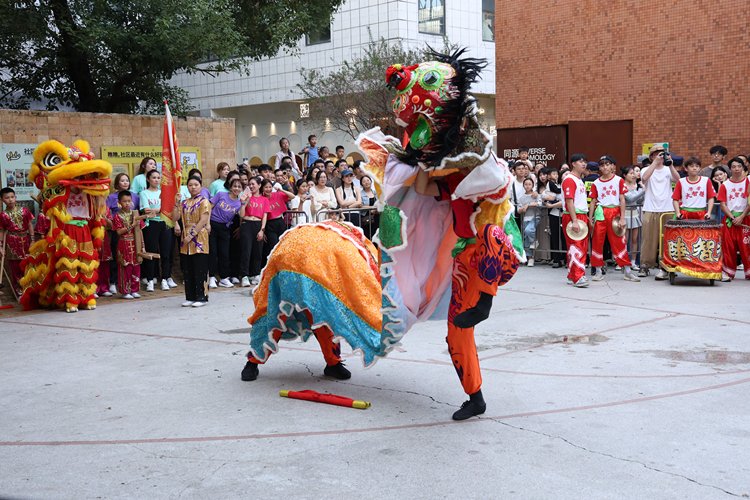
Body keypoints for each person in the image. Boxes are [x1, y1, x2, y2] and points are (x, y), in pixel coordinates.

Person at [588, 156, 639, 282]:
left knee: (619, 241)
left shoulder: (618, 180)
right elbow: (593, 201)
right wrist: (590, 219)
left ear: (612, 166)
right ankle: (598, 270)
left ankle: (627, 270)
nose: (605, 167)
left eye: (607, 164)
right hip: (600, 213)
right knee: (597, 242)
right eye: (602, 165)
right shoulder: (596, 183)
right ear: (599, 168)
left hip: (615, 212)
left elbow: (622, 199)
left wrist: (622, 218)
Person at [638, 144, 679, 279]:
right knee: (648, 239)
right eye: (657, 154)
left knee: (667, 239)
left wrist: (671, 164)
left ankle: (666, 266)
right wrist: (655, 163)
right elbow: (644, 179)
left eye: (663, 154)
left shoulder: (668, 169)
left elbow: (678, 180)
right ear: (652, 156)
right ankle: (645, 265)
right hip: (650, 208)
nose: (660, 156)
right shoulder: (645, 169)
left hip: (667, 208)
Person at [174, 176, 211, 307]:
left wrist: (191, 235)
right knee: (188, 268)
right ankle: (190, 296)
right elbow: (176, 217)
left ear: (200, 186)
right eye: (190, 185)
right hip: (185, 238)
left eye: (196, 184)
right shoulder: (184, 202)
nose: (193, 187)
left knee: (199, 267)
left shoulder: (204, 201)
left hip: (199, 236)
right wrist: (176, 204)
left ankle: (201, 297)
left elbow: (203, 220)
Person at [139, 169, 176, 292]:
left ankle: (165, 279)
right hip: (151, 225)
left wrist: (157, 211)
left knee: (166, 253)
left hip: (164, 224)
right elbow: (146, 211)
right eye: (153, 177)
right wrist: (160, 210)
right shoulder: (144, 193)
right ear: (148, 179)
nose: (156, 180)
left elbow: (167, 210)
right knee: (151, 253)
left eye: (158, 177)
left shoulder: (164, 193)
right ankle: (150, 280)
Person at [208, 176, 246, 289]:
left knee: (224, 253)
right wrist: (207, 224)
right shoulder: (220, 194)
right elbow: (209, 207)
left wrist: (243, 203)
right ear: (230, 187)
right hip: (213, 225)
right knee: (213, 253)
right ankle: (211, 277)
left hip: (225, 228)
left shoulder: (239, 202)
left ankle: (224, 278)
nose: (237, 188)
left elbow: (242, 216)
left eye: (239, 187)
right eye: (234, 186)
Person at [717, 157, 750, 281]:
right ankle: (727, 272)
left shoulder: (748, 182)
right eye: (734, 167)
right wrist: (733, 217)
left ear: (743, 167)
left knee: (746, 246)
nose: (737, 169)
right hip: (730, 220)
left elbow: (749, 202)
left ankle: (749, 272)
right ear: (730, 169)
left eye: (739, 166)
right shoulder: (725, 185)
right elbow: (722, 204)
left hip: (745, 218)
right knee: (728, 247)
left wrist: (741, 217)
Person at [562, 154, 590, 287]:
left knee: (580, 246)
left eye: (585, 161)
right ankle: (578, 277)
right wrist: (574, 220)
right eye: (580, 161)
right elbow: (569, 201)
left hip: (581, 215)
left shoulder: (579, 180)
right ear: (573, 163)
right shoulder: (569, 180)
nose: (584, 164)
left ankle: (572, 274)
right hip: (574, 216)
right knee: (576, 246)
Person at [0, 187, 34, 297]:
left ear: (15, 197)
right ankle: (19, 292)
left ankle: (31, 289)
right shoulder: (3, 215)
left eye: (12, 197)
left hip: (26, 239)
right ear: (2, 200)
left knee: (28, 264)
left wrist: (33, 240)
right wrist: (0, 246)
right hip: (12, 241)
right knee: (15, 266)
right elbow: (1, 231)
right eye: (7, 198)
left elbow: (29, 225)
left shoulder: (24, 210)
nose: (10, 200)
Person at [111, 190, 146, 299]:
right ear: (119, 202)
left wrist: (143, 246)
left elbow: (140, 231)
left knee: (136, 266)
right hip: (124, 243)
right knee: (125, 267)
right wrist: (132, 225)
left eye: (129, 201)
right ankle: (125, 291)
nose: (127, 203)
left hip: (136, 243)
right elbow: (119, 232)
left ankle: (135, 289)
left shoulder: (135, 214)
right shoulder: (117, 216)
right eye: (124, 201)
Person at [239, 177, 269, 287]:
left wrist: (262, 230)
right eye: (249, 184)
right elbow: (241, 214)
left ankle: (255, 273)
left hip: (258, 224)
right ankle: (244, 275)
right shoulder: (246, 197)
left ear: (259, 185)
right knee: (246, 250)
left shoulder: (264, 199)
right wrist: (245, 201)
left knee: (258, 251)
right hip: (247, 224)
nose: (251, 186)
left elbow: (265, 216)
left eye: (253, 184)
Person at [260, 179, 295, 268]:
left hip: (280, 222)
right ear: (262, 188)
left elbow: (292, 196)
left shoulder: (277, 194)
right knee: (273, 247)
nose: (268, 189)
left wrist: (281, 190)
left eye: (270, 187)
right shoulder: (261, 199)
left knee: (282, 245)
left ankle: (283, 267)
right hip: (269, 224)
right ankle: (273, 267)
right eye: (266, 187)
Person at [622, 165, 645, 269]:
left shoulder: (637, 186)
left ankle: (633, 261)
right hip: (626, 214)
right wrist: (642, 190)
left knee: (635, 239)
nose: (633, 175)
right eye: (630, 173)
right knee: (625, 239)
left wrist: (641, 191)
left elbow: (639, 201)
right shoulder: (622, 186)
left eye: (633, 173)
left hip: (635, 213)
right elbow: (630, 199)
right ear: (624, 175)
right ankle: (622, 261)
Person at [542, 169, 565, 268]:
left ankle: (565, 258)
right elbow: (548, 197)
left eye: (556, 174)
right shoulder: (551, 184)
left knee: (564, 237)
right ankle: (556, 258)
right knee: (555, 236)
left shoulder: (560, 185)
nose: (556, 176)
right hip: (554, 213)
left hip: (564, 214)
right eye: (553, 174)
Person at [516, 178, 540, 266]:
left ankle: (534, 242)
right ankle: (530, 258)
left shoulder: (535, 195)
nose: (528, 186)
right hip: (525, 218)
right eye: (526, 184)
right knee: (526, 238)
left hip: (535, 217)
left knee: (529, 231)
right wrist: (522, 209)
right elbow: (518, 209)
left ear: (533, 185)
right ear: (523, 186)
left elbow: (540, 203)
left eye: (530, 184)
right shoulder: (521, 197)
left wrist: (528, 205)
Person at [359, 174, 379, 240]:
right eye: (364, 181)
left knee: (377, 236)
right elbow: (360, 206)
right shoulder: (360, 194)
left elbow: (381, 203)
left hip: (376, 216)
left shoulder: (376, 192)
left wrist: (376, 209)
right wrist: (372, 208)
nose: (366, 182)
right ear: (361, 184)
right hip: (366, 218)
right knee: (368, 237)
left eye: (368, 180)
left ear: (371, 181)